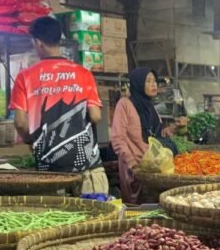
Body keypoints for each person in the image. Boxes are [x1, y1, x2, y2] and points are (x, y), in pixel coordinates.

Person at [11, 16, 108, 194]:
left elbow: (20, 123)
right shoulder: (83, 73)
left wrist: (29, 140)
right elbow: (95, 116)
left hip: (50, 174)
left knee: (60, 220)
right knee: (96, 219)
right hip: (88, 167)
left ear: (38, 42)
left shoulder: (25, 77)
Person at [110, 67, 184, 204]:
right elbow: (118, 138)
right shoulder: (125, 104)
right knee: (137, 209)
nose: (154, 84)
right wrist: (133, 165)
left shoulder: (151, 108)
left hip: (155, 166)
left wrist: (174, 128)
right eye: (148, 81)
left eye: (155, 81)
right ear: (138, 83)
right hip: (136, 168)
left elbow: (156, 136)